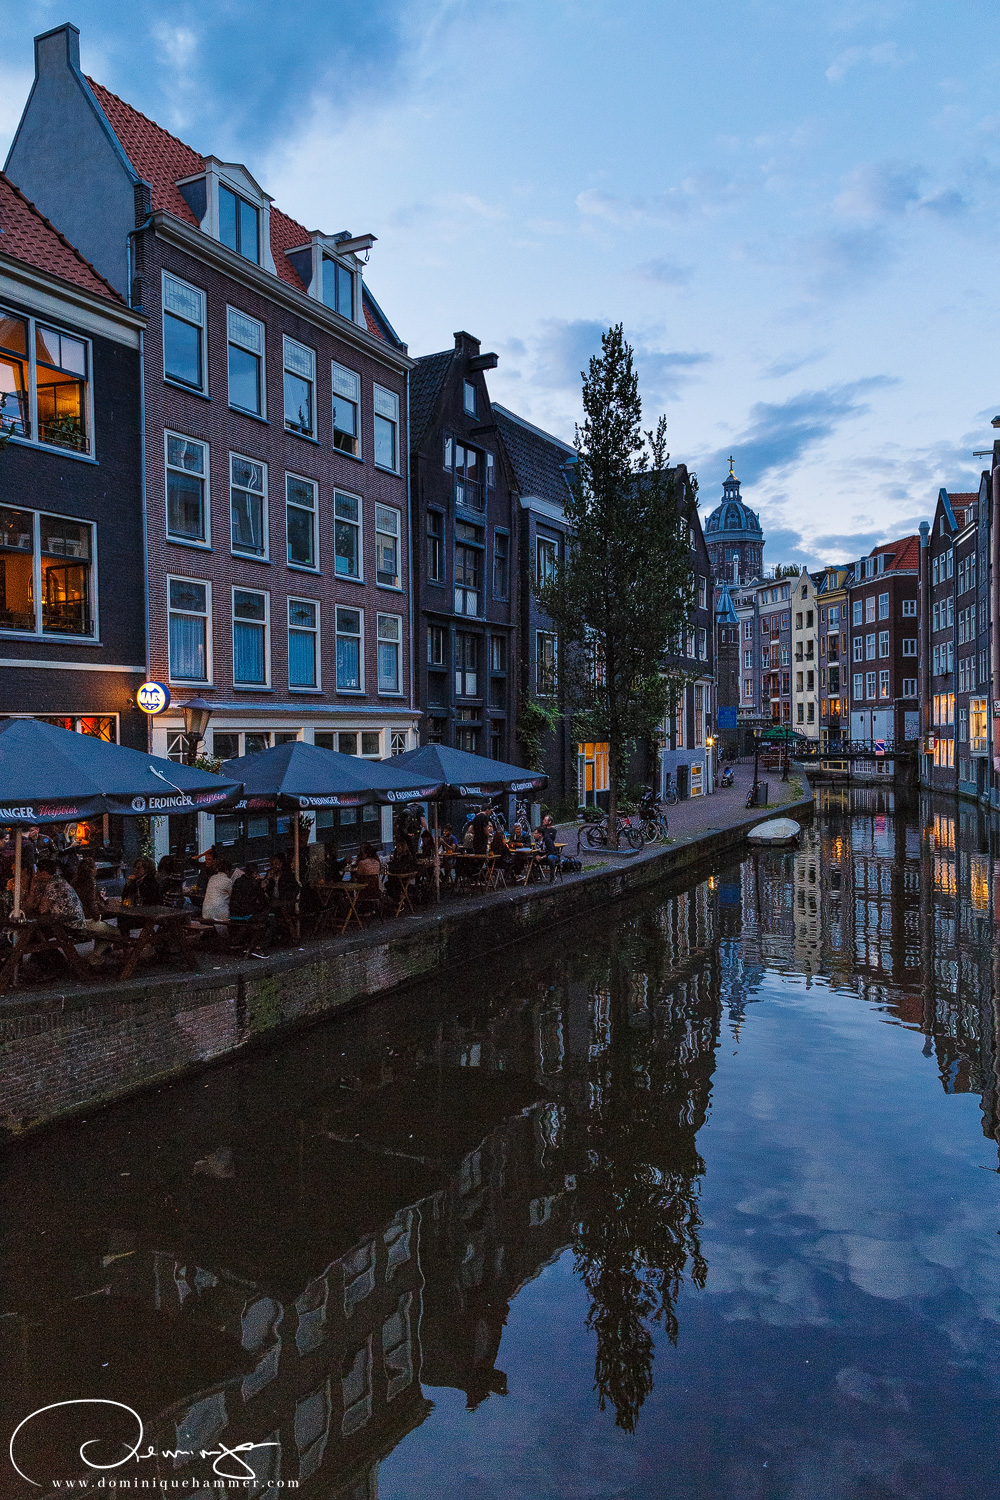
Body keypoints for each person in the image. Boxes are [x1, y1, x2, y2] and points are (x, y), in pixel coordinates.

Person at [200, 858, 233, 932]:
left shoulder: (212, 878)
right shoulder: (227, 881)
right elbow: (231, 896)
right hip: (220, 913)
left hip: (206, 912)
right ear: (228, 871)